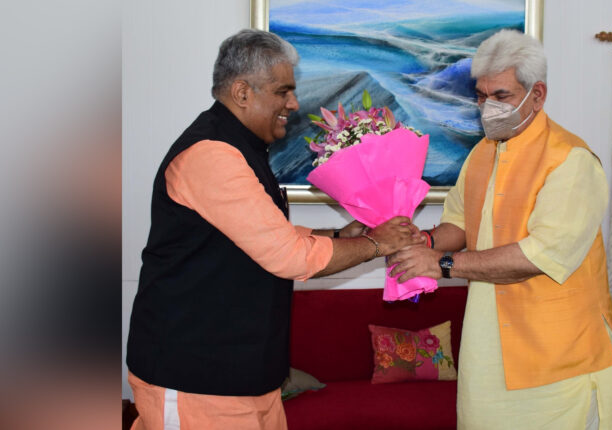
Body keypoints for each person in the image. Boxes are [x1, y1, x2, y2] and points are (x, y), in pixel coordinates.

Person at [126, 29, 423, 430]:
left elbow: (264, 235)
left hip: (247, 377)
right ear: (242, 92)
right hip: (197, 378)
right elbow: (289, 256)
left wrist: (340, 237)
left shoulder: (240, 148)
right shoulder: (212, 154)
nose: (294, 103)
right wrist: (376, 244)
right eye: (283, 92)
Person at [390, 29, 612, 429]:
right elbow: (459, 223)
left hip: (558, 358)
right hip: (487, 352)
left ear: (538, 95)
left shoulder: (571, 161)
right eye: (481, 96)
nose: (488, 107)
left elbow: (537, 256)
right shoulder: (481, 153)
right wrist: (422, 241)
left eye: (501, 96)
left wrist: (441, 263)